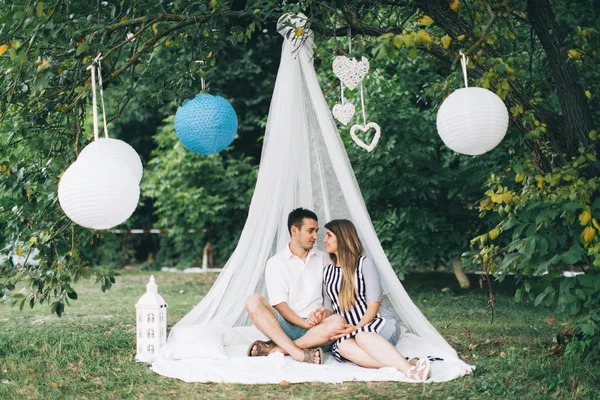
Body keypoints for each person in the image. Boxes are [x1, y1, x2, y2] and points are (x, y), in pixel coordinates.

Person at [321, 219, 431, 382]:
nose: (324, 240)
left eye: (329, 235)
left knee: (363, 337)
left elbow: (373, 304)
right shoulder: (327, 271)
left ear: (343, 237)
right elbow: (330, 308)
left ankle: (410, 371)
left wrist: (356, 328)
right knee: (343, 347)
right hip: (348, 331)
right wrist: (322, 313)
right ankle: (405, 363)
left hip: (375, 322)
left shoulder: (364, 264)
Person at [245, 208, 346, 364]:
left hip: (317, 331)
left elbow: (330, 300)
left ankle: (278, 349)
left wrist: (323, 313)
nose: (315, 236)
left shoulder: (324, 259)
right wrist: (302, 322)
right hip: (286, 327)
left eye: (316, 231)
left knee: (339, 321)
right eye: (310, 231)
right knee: (252, 300)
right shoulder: (276, 262)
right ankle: (299, 354)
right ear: (294, 230)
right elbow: (280, 305)